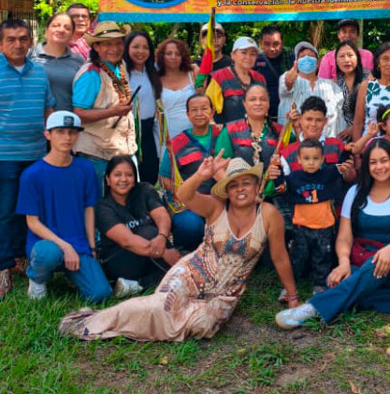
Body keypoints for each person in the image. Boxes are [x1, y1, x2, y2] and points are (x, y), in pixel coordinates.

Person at [59, 155, 300, 341]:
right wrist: (201, 175)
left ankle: (120, 323)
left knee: (202, 325)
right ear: (226, 189)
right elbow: (185, 196)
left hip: (224, 293)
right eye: (234, 185)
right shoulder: (216, 207)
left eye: (246, 183)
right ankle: (93, 323)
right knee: (162, 306)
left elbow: (279, 258)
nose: (240, 189)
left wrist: (293, 298)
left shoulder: (269, 215)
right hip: (193, 271)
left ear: (257, 186)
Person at [275, 140, 390, 329]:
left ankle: (313, 308)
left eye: (384, 161)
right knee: (340, 280)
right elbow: (345, 237)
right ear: (366, 166)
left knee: (360, 276)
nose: (379, 167)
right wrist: (344, 262)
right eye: (373, 162)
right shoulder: (355, 192)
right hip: (361, 261)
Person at [0, 18, 55, 299]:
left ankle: (21, 260)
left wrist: (54, 149)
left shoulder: (39, 73)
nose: (18, 44)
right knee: (4, 213)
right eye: (11, 39)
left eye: (23, 39)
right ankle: (2, 269)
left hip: (37, 156)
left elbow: (48, 111)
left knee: (31, 211)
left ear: (31, 41)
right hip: (3, 157)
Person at [18, 111, 112, 303]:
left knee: (100, 294)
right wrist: (64, 246)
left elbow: (89, 209)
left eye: (72, 132)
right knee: (47, 254)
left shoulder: (85, 169)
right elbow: (33, 223)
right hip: (45, 243)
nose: (67, 137)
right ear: (48, 135)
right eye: (60, 131)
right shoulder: (32, 174)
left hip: (77, 242)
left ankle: (72, 274)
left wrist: (91, 247)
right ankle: (38, 279)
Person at [96, 156, 182, 297]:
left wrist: (162, 236)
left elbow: (162, 215)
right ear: (107, 180)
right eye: (117, 175)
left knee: (154, 234)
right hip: (120, 259)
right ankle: (176, 274)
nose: (123, 179)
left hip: (151, 253)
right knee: (149, 232)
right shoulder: (103, 207)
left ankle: (137, 285)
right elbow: (127, 241)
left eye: (129, 175)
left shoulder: (145, 190)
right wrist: (165, 252)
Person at [159, 94, 231, 250]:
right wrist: (185, 194)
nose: (199, 114)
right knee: (190, 226)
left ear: (212, 112)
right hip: (188, 202)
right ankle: (187, 256)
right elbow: (164, 178)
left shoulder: (224, 135)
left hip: (221, 199)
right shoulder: (177, 143)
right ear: (187, 114)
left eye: (204, 109)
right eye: (194, 110)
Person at [72, 21, 137, 182]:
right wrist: (113, 112)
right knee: (98, 204)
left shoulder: (120, 66)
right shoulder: (90, 74)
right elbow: (78, 115)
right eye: (108, 44)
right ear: (96, 47)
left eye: (118, 43)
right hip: (96, 153)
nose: (114, 49)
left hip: (121, 151)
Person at [285, 139, 349, 294]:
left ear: (322, 159)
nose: (311, 163)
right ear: (299, 160)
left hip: (324, 226)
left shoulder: (327, 174)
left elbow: (341, 165)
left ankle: (320, 285)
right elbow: (280, 186)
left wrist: (347, 150)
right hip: (302, 226)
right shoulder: (294, 178)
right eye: (306, 159)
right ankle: (290, 285)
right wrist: (276, 171)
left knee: (323, 256)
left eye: (315, 159)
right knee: (299, 255)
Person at [278, 41, 344, 139]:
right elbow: (287, 83)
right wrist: (292, 74)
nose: (306, 58)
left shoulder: (331, 86)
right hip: (295, 145)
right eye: (302, 56)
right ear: (296, 62)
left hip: (328, 145)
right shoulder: (290, 81)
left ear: (318, 63)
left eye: (310, 55)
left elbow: (339, 117)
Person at [123, 30, 163, 186]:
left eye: (145, 47)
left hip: (148, 130)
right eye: (136, 47)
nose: (141, 51)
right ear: (127, 48)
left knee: (149, 174)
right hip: (128, 131)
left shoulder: (153, 70)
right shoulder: (122, 71)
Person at [215, 83, 285, 168]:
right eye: (252, 99)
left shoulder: (281, 130)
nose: (258, 103)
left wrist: (296, 127)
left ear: (268, 103)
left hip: (273, 181)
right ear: (244, 103)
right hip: (238, 180)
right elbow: (218, 167)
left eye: (263, 99)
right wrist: (239, 182)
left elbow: (296, 157)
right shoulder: (230, 130)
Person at [30, 12, 84, 112]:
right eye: (56, 26)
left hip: (66, 123)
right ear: (46, 31)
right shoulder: (30, 56)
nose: (61, 30)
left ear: (72, 35)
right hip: (35, 122)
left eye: (67, 28)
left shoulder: (78, 61)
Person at [206, 36, 266, 125]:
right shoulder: (219, 77)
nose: (248, 57)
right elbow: (207, 109)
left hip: (255, 134)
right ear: (233, 55)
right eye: (243, 53)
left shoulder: (260, 78)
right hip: (227, 135)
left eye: (252, 54)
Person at [349, 102, 390, 181]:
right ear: (383, 126)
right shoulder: (375, 143)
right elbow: (355, 150)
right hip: (377, 187)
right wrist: (369, 135)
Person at [156, 37, 196, 139]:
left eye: (178, 54)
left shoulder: (193, 73)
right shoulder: (154, 78)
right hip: (164, 135)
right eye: (169, 53)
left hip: (192, 133)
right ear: (162, 56)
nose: (173, 57)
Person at [254, 25, 292, 122]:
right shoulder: (254, 61)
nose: (272, 49)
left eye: (276, 44)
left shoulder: (291, 58)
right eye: (267, 44)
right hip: (262, 114)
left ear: (282, 43)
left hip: (287, 114)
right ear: (261, 43)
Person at [332, 41, 368, 140]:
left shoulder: (369, 79)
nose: (346, 60)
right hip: (342, 135)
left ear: (357, 58)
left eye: (350, 55)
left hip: (367, 133)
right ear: (336, 60)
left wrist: (354, 128)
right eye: (342, 56)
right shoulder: (335, 83)